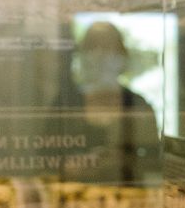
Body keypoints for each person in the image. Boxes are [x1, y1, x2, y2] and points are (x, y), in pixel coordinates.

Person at [50, 21, 159, 184]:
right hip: (74, 196)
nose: (99, 55)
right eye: (92, 48)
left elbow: (154, 162)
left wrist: (121, 160)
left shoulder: (139, 106)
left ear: (122, 56)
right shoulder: (64, 103)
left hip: (129, 199)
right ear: (81, 55)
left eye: (108, 48)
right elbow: (43, 160)